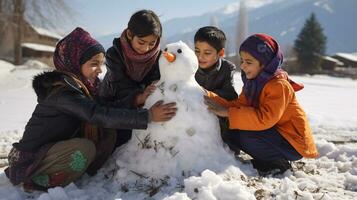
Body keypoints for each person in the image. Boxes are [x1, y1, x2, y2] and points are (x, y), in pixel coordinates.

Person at [5, 27, 177, 190]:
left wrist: (135, 99)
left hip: (52, 150)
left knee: (106, 135)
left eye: (101, 64)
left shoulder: (82, 86)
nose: (99, 70)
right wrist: (147, 116)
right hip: (31, 157)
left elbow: (103, 108)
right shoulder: (62, 92)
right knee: (85, 148)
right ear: (74, 61)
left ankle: (67, 169)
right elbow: (98, 114)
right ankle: (36, 180)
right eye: (94, 64)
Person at [204, 33, 318, 176]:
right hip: (274, 136)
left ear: (265, 64)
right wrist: (207, 95)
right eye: (242, 61)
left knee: (246, 134)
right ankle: (266, 159)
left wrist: (228, 113)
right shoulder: (253, 84)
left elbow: (265, 119)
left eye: (249, 62)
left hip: (292, 143)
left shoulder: (279, 86)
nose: (243, 66)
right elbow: (238, 106)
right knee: (232, 129)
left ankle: (278, 163)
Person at [100, 10, 163, 147]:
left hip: (144, 106)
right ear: (129, 34)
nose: (146, 48)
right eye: (141, 42)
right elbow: (120, 87)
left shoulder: (159, 57)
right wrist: (139, 96)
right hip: (113, 104)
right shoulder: (114, 54)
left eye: (152, 43)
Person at [193, 26, 238, 151]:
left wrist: (204, 94)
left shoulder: (227, 68)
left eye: (207, 53)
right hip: (193, 113)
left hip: (216, 115)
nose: (200, 57)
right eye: (197, 51)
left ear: (221, 53)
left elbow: (231, 96)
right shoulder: (190, 65)